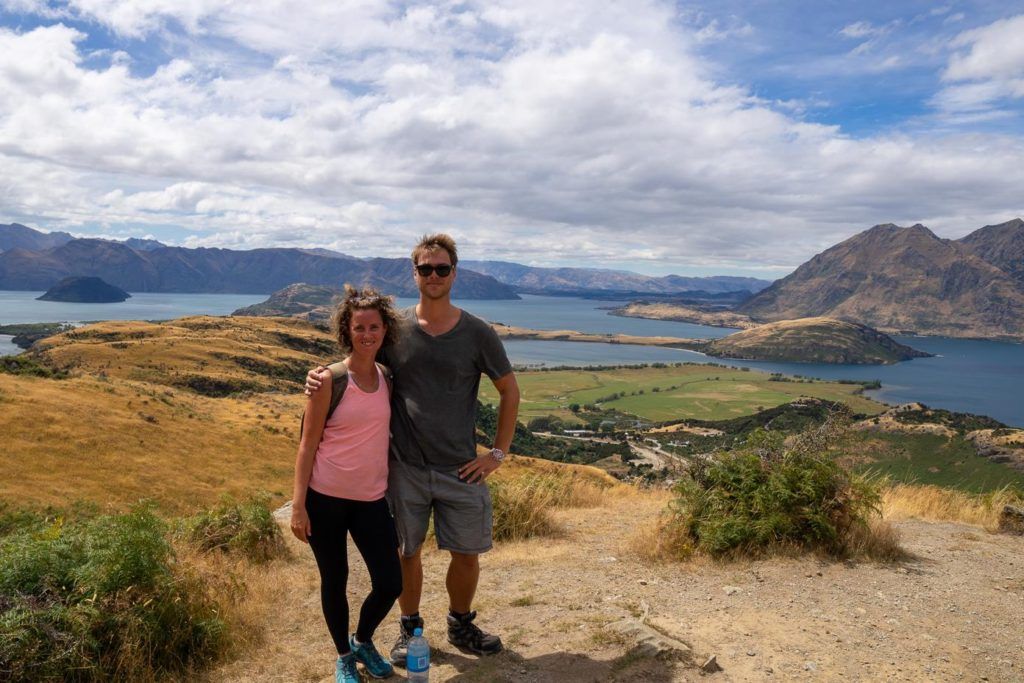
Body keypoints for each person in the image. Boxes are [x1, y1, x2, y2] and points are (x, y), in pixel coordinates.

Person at [306, 233, 520, 666]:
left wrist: (496, 454)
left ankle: (461, 623)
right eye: (426, 268)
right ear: (415, 273)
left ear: (454, 273)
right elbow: (360, 356)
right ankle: (411, 629)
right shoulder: (396, 329)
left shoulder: (478, 332)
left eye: (442, 268)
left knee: (466, 553)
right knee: (408, 552)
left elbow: (510, 392)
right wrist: (321, 376)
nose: (434, 275)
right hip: (405, 467)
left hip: (463, 467)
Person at [291, 285, 404, 683]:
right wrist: (298, 506)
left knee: (391, 581)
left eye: (374, 327)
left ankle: (362, 640)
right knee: (334, 580)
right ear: (347, 330)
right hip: (325, 499)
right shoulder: (328, 380)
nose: (367, 334)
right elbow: (307, 446)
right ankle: (343, 656)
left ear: (385, 330)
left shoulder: (387, 376)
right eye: (359, 327)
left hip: (371, 499)